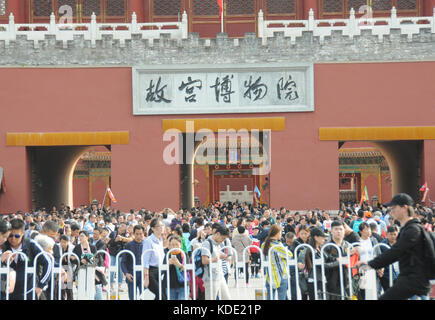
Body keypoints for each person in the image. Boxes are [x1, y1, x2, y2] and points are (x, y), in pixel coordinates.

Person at [357, 193, 432, 300]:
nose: (391, 212)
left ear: (404, 208)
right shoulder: (407, 229)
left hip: (413, 281)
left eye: (394, 208)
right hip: (409, 280)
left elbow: (395, 252)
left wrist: (370, 264)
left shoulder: (413, 230)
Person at [1, 219, 51, 300]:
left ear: (23, 233)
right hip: (7, 293)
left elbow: (48, 263)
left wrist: (41, 285)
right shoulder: (3, 245)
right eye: (10, 235)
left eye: (17, 236)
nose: (13, 239)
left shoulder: (31, 245)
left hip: (28, 292)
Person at [323, 220, 355, 300]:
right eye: (336, 229)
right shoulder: (327, 246)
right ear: (331, 231)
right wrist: (339, 262)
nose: (338, 231)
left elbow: (354, 263)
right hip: (332, 281)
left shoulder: (348, 245)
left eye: (341, 229)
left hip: (347, 280)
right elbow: (324, 265)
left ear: (344, 231)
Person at [201, 224, 231, 300]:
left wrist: (222, 256)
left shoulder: (218, 244)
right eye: (222, 238)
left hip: (220, 275)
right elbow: (204, 261)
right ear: (217, 234)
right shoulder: (207, 243)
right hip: (211, 277)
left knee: (227, 298)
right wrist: (217, 258)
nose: (223, 241)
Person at [262, 224, 290, 300]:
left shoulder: (264, 244)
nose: (281, 235)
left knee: (270, 297)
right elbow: (290, 255)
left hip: (269, 275)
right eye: (280, 233)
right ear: (277, 233)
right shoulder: (278, 245)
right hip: (281, 274)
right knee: (282, 297)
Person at [301, 227, 328, 300]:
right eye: (322, 237)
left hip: (320, 279)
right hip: (315, 280)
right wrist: (336, 262)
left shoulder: (320, 248)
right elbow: (321, 265)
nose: (324, 239)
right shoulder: (311, 251)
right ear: (316, 237)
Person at [143, 218, 167, 300]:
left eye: (162, 226)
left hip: (160, 271)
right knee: (161, 296)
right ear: (153, 228)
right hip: (151, 272)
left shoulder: (160, 240)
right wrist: (146, 277)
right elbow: (145, 260)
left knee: (158, 296)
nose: (162, 228)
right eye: (159, 226)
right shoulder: (148, 241)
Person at [121, 225, 146, 300]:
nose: (139, 236)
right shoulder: (128, 245)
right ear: (133, 234)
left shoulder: (147, 244)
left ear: (144, 233)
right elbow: (123, 262)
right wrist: (126, 273)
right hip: (131, 275)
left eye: (141, 234)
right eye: (137, 234)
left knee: (145, 296)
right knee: (132, 297)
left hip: (144, 274)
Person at [164, 235, 189, 300]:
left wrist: (178, 264)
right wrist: (168, 264)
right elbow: (162, 270)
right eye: (172, 245)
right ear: (169, 246)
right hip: (170, 285)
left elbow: (188, 269)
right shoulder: (167, 254)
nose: (174, 247)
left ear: (180, 245)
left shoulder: (184, 254)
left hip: (183, 285)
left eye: (176, 244)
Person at [377, 225, 400, 293]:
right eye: (391, 234)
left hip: (399, 274)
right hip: (386, 275)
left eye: (394, 234)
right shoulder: (382, 245)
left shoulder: (400, 244)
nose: (393, 236)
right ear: (387, 234)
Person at [53, 234, 75, 300]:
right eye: (62, 242)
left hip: (68, 267)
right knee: (60, 286)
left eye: (65, 242)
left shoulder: (72, 247)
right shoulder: (57, 247)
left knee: (68, 286)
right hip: (59, 267)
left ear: (68, 241)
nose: (63, 244)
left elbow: (73, 259)